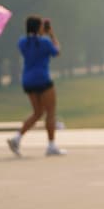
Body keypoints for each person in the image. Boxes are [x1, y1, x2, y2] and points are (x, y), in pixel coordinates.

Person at [8, 16, 65, 157]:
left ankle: (17, 138)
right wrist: (51, 34)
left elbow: (29, 46)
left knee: (38, 113)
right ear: (39, 27)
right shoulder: (45, 42)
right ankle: (51, 145)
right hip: (43, 79)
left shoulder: (22, 42)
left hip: (28, 80)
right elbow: (57, 51)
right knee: (50, 112)